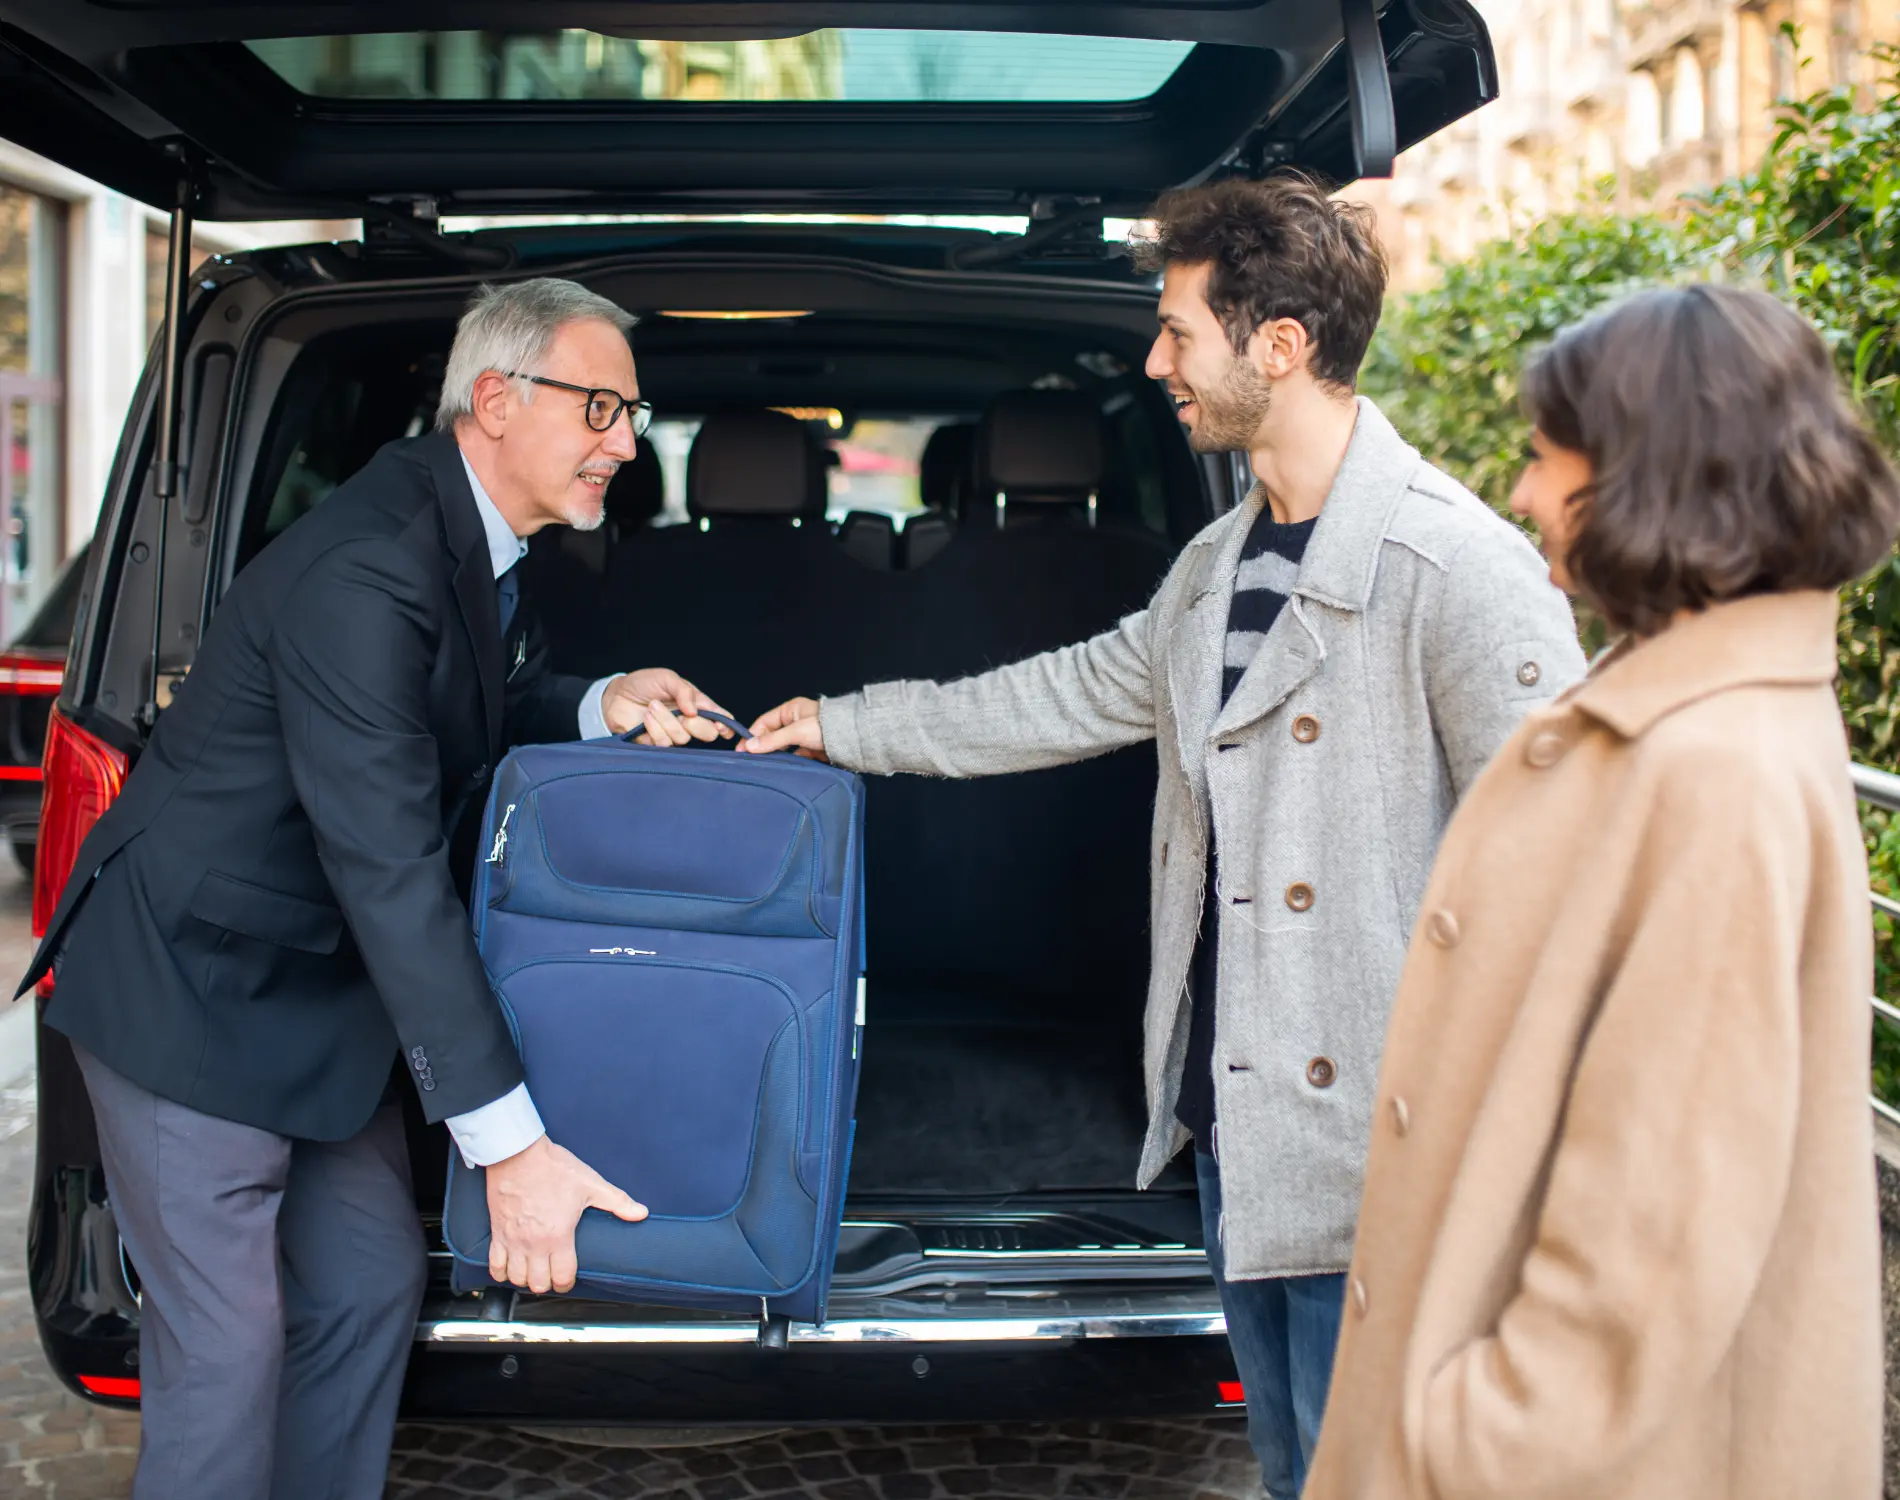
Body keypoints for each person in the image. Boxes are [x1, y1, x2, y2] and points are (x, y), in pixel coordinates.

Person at [743, 174, 1587, 1497]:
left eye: (1177, 332)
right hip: (1234, 1125)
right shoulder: (1213, 566)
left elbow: (1566, 880)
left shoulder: (1457, 570)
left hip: (1392, 1159)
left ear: (1279, 345)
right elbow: (1062, 693)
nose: (1154, 363)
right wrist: (847, 725)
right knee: (1292, 1467)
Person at [16, 278, 733, 1500]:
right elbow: (388, 868)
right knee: (228, 1352)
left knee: (363, 1286)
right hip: (192, 990)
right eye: (601, 407)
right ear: (496, 400)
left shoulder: (468, 531)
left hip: (313, 990)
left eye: (632, 412)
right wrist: (511, 1149)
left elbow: (463, 703)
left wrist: (597, 702)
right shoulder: (368, 566)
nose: (627, 443)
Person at [1302, 284, 1900, 1500]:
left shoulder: (1709, 771)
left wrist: (1452, 1444)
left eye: (1541, 458)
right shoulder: (1707, 718)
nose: (1521, 494)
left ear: (1645, 475)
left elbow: (1653, 1243)